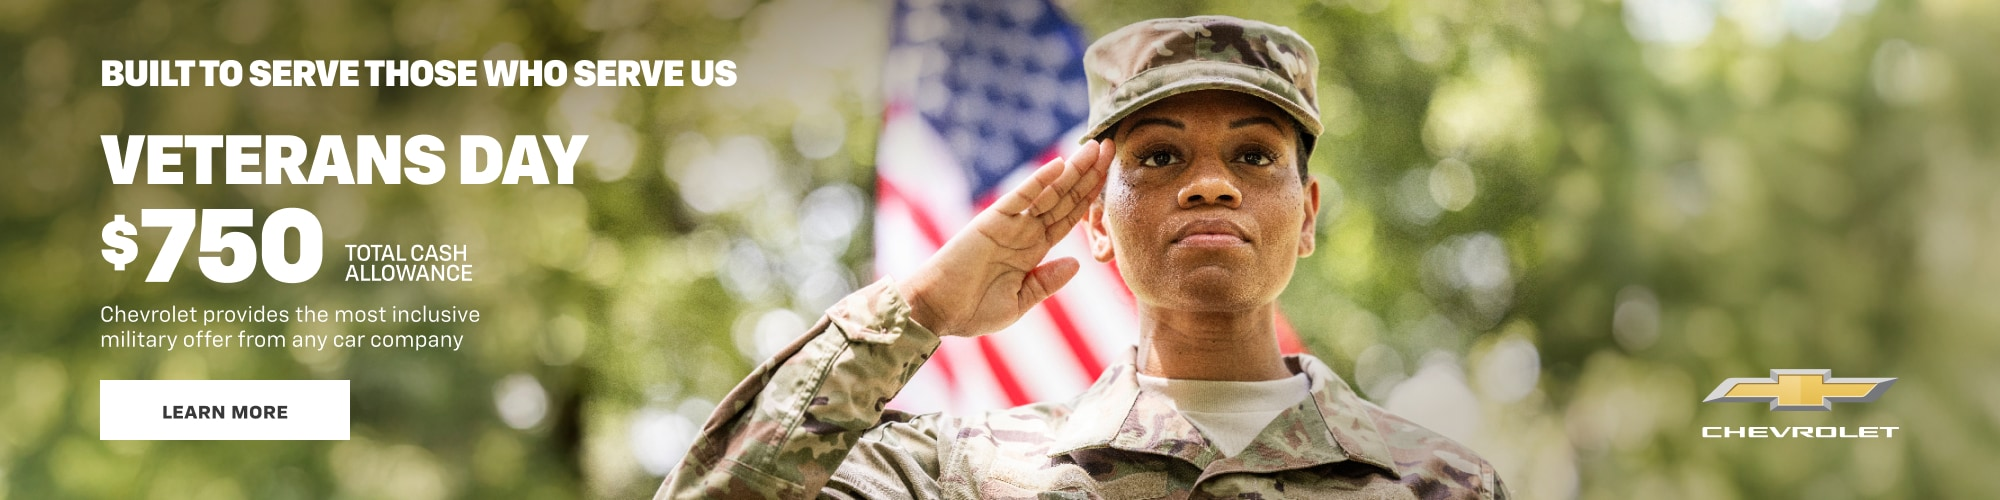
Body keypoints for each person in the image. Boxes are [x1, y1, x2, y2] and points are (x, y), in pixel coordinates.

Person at [657, 15, 1509, 499]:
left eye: (1253, 156)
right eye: (1159, 158)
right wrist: (916, 309)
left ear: (1308, 213)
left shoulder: (1439, 483)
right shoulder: (961, 472)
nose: (1210, 185)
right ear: (1097, 222)